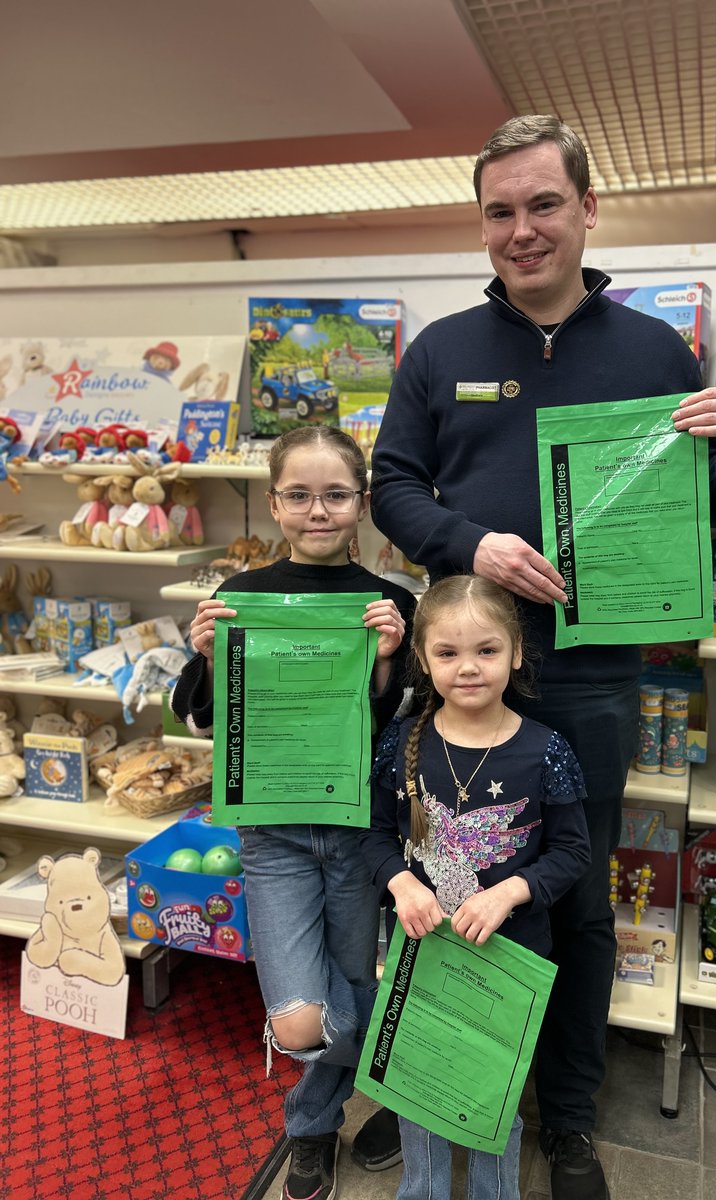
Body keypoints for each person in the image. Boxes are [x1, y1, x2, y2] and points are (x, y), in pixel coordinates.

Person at [370, 115, 716, 1200]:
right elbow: (392, 488)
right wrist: (472, 544)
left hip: (590, 677)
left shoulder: (650, 350)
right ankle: (431, 1078)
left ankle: (567, 1114)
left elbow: (707, 509)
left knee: (570, 894)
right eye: (500, 211)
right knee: (439, 881)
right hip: (459, 664)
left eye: (543, 204)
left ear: (588, 210)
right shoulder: (441, 351)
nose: (522, 229)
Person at [171, 425, 417, 1200]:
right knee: (299, 1023)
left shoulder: (390, 603)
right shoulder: (238, 598)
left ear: (363, 505)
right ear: (274, 504)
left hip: (359, 838)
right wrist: (208, 654)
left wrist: (387, 668)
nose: (320, 511)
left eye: (336, 495)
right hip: (273, 835)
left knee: (337, 988)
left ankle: (310, 1131)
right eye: (301, 496)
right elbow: (202, 720)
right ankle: (411, 1053)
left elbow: (401, 731)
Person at [360, 575, 591, 1200]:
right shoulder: (400, 745)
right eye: (448, 653)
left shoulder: (546, 751)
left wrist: (509, 891)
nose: (468, 668)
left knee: (497, 1095)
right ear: (422, 659)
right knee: (417, 1090)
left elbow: (573, 853)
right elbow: (374, 840)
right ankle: (424, 1191)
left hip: (510, 958)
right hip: (421, 952)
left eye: (486, 651)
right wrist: (403, 884)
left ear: (517, 653)